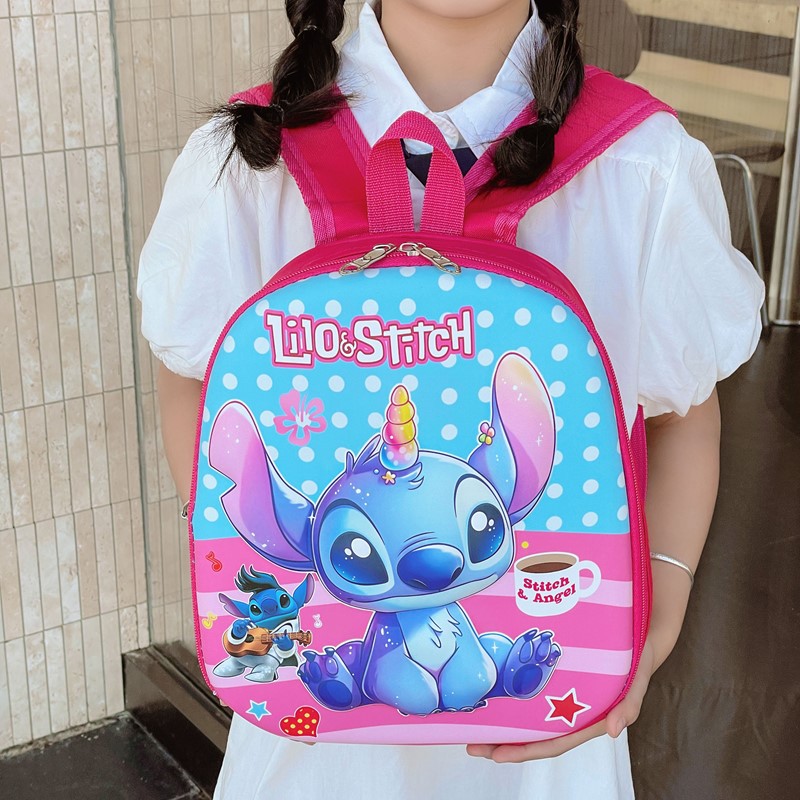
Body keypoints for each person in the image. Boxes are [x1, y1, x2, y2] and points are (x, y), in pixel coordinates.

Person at [137, 0, 764, 797]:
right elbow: (191, 373)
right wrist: (245, 565)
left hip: (552, 752)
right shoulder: (248, 159)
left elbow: (683, 412)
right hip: (308, 758)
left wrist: (656, 620)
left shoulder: (642, 163)